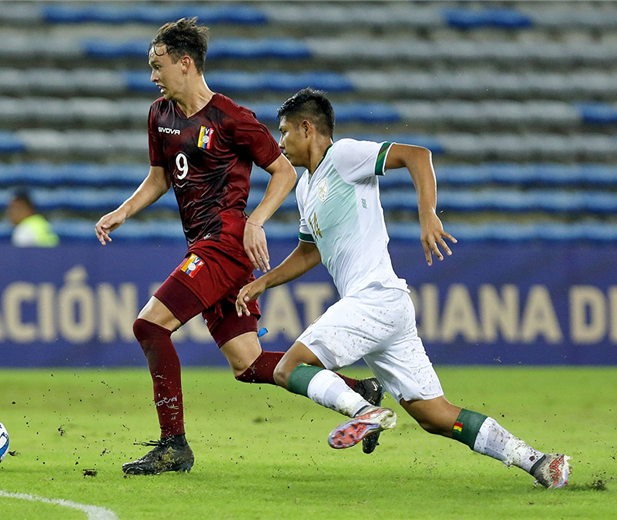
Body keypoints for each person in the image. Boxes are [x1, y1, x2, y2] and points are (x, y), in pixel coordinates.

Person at [235, 88, 571, 489]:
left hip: (373, 299)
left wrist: (427, 215)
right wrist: (264, 282)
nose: (280, 142)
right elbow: (310, 252)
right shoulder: (307, 188)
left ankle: (365, 411)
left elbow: (417, 155)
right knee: (435, 415)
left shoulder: (342, 157)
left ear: (308, 129)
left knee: (289, 368)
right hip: (386, 307)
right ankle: (540, 462)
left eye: (285, 131)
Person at [95, 19, 383, 476]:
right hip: (206, 246)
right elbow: (159, 178)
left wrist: (255, 221)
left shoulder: (232, 118)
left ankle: (173, 446)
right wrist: (123, 212)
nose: (153, 76)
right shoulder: (159, 115)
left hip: (224, 246)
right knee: (247, 364)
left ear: (184, 63)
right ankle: (359, 392)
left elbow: (284, 172)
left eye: (158, 65)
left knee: (149, 327)